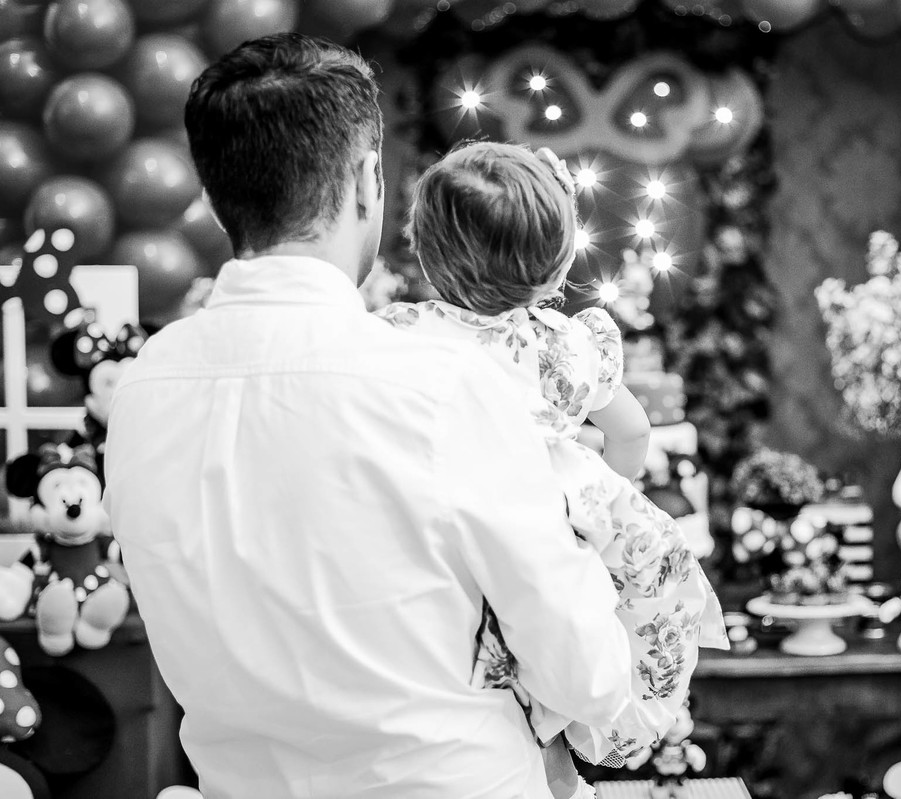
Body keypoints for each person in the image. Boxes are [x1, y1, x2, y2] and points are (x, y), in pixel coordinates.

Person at [103, 34, 633, 799]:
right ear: (364, 180)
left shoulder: (144, 388)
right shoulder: (437, 383)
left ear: (219, 193)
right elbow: (585, 673)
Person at [378, 141, 727, 799]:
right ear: (559, 260)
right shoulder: (565, 345)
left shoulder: (398, 334)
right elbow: (634, 431)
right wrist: (597, 507)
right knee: (558, 665)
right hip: (546, 527)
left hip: (438, 534)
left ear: (423, 249)